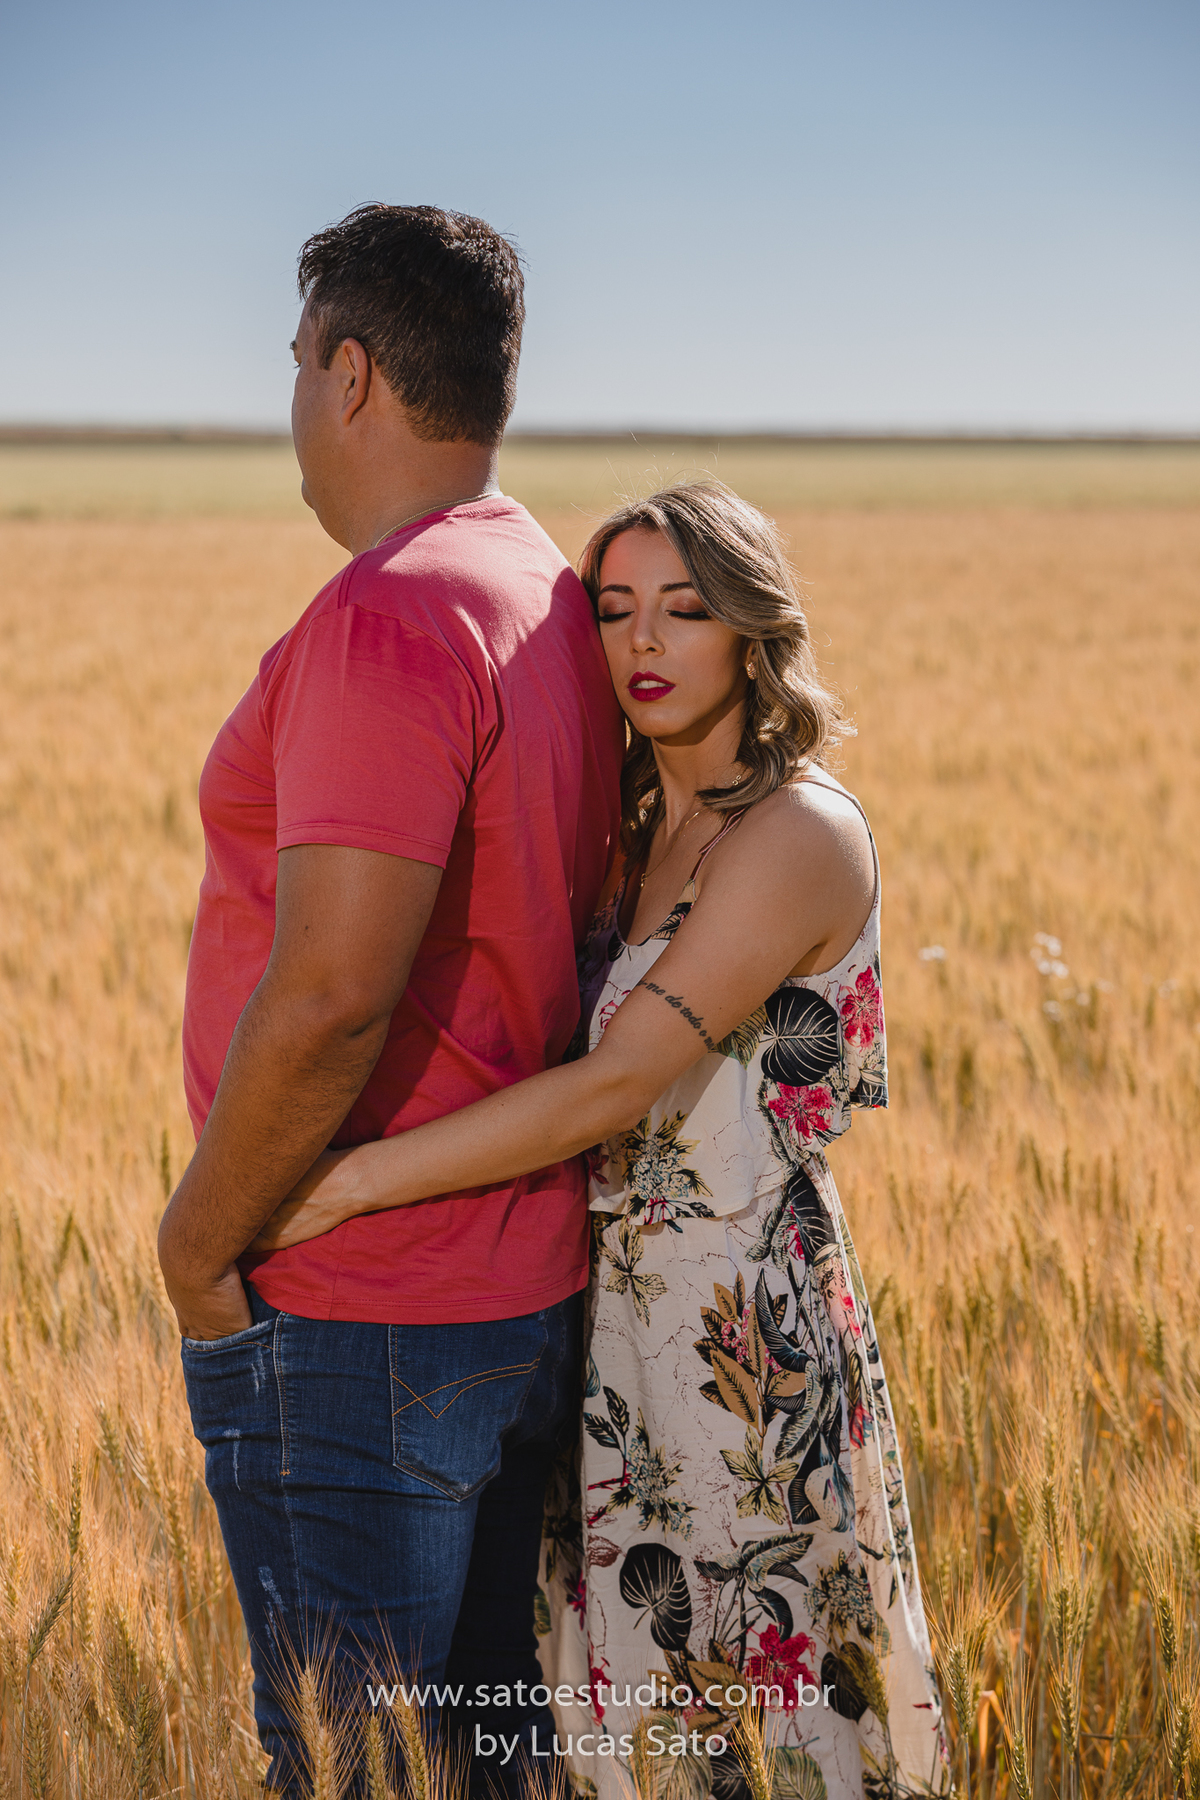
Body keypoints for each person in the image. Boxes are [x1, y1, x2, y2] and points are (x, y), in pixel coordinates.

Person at [254, 481, 951, 1800]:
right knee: (630, 1720)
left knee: (758, 1713)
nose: (644, 642)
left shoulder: (794, 831)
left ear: (752, 633)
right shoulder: (638, 829)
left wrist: (342, 1185)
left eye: (686, 612)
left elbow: (611, 1087)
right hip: (609, 1340)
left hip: (739, 1347)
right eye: (615, 610)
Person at [157, 203, 624, 1797]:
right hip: (513, 1289)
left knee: (356, 1772)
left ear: (353, 375)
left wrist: (199, 1243)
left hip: (361, 1311)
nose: (293, 396)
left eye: (298, 361)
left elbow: (337, 996)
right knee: (487, 1766)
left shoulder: (388, 615)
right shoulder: (543, 591)